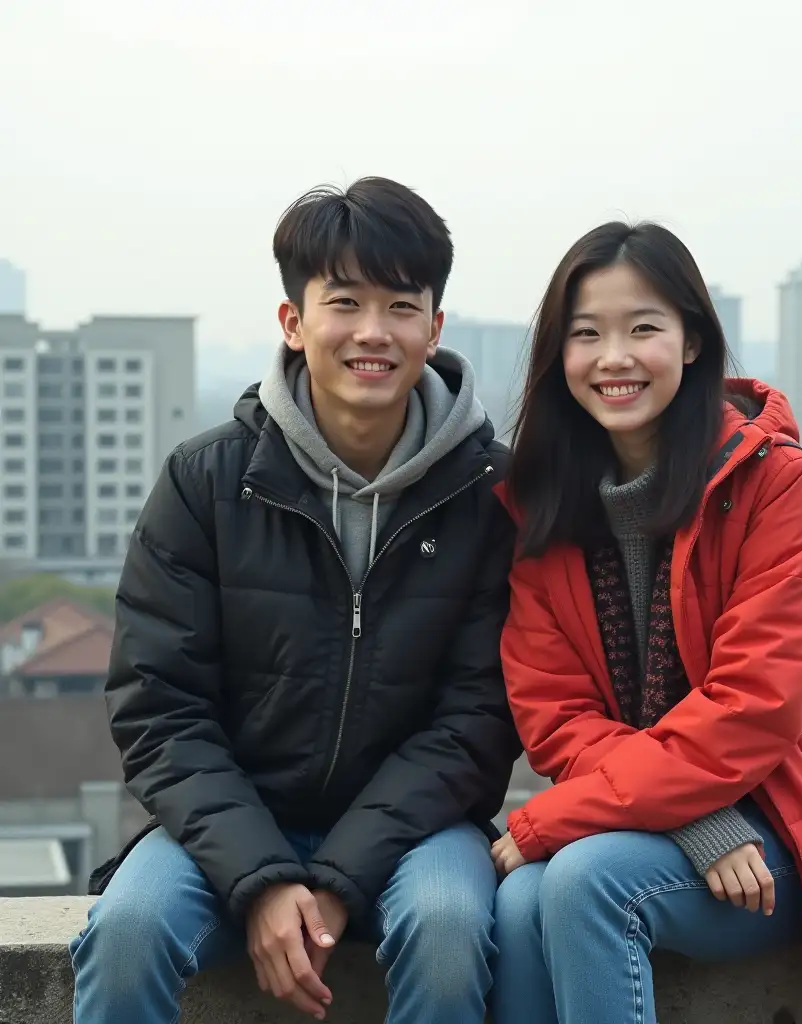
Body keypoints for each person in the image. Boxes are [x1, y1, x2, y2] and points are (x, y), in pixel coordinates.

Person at [70, 177, 522, 1024]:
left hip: (420, 833)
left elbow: (479, 718)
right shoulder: (206, 483)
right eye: (344, 302)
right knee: (127, 931)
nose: (372, 333)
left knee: (452, 925)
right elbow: (159, 709)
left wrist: (343, 876)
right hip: (229, 823)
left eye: (401, 306)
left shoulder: (491, 495)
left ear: (435, 327)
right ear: (293, 321)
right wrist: (263, 876)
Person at [488, 221, 802, 1024]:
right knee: (516, 906)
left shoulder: (771, 485)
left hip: (788, 835)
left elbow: (753, 710)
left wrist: (557, 817)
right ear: (560, 357)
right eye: (586, 335)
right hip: (680, 830)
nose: (614, 357)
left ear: (691, 342)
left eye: (642, 328)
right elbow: (556, 720)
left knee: (582, 883)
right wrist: (694, 817)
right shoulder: (543, 507)